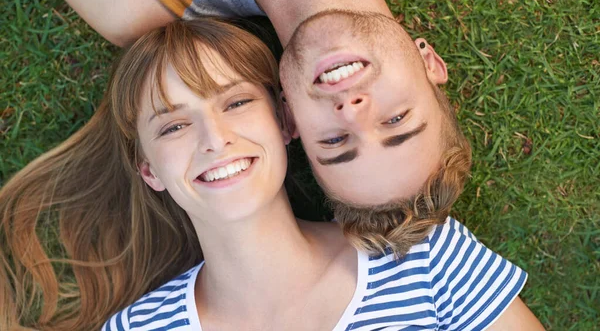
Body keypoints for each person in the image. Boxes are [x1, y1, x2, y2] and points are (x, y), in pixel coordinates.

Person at [0, 19, 542, 330]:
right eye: (171, 127)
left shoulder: (424, 256)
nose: (214, 139)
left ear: (285, 120)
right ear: (149, 170)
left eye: (235, 103)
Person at [10, 0, 472, 253]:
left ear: (288, 119)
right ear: (429, 62)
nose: (352, 111)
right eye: (396, 121)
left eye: (334, 142)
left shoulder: (129, 0)